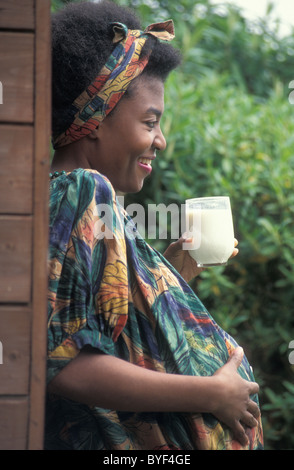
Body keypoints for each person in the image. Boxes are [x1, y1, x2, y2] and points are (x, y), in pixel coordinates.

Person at [46, 0, 263, 450]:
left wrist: (175, 271)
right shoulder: (83, 189)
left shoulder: (89, 199)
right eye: (150, 122)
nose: (159, 141)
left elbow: (113, 333)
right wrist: (213, 394)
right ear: (96, 120)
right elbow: (66, 362)